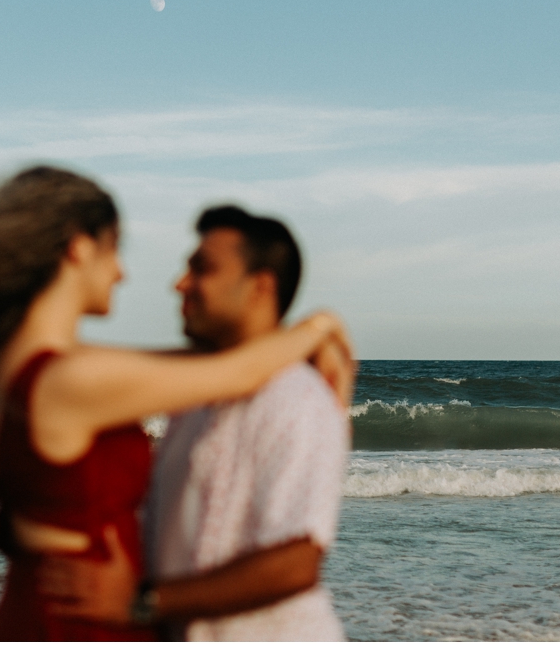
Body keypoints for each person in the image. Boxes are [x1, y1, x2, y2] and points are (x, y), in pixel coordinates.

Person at [0, 167, 355, 641]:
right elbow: (238, 372)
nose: (121, 273)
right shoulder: (69, 378)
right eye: (114, 248)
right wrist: (319, 327)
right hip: (78, 623)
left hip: (53, 608)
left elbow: (194, 362)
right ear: (78, 246)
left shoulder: (29, 362)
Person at [37, 205, 354, 640]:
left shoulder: (299, 399)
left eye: (201, 269)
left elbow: (295, 563)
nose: (179, 284)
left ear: (260, 287)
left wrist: (142, 600)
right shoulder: (191, 396)